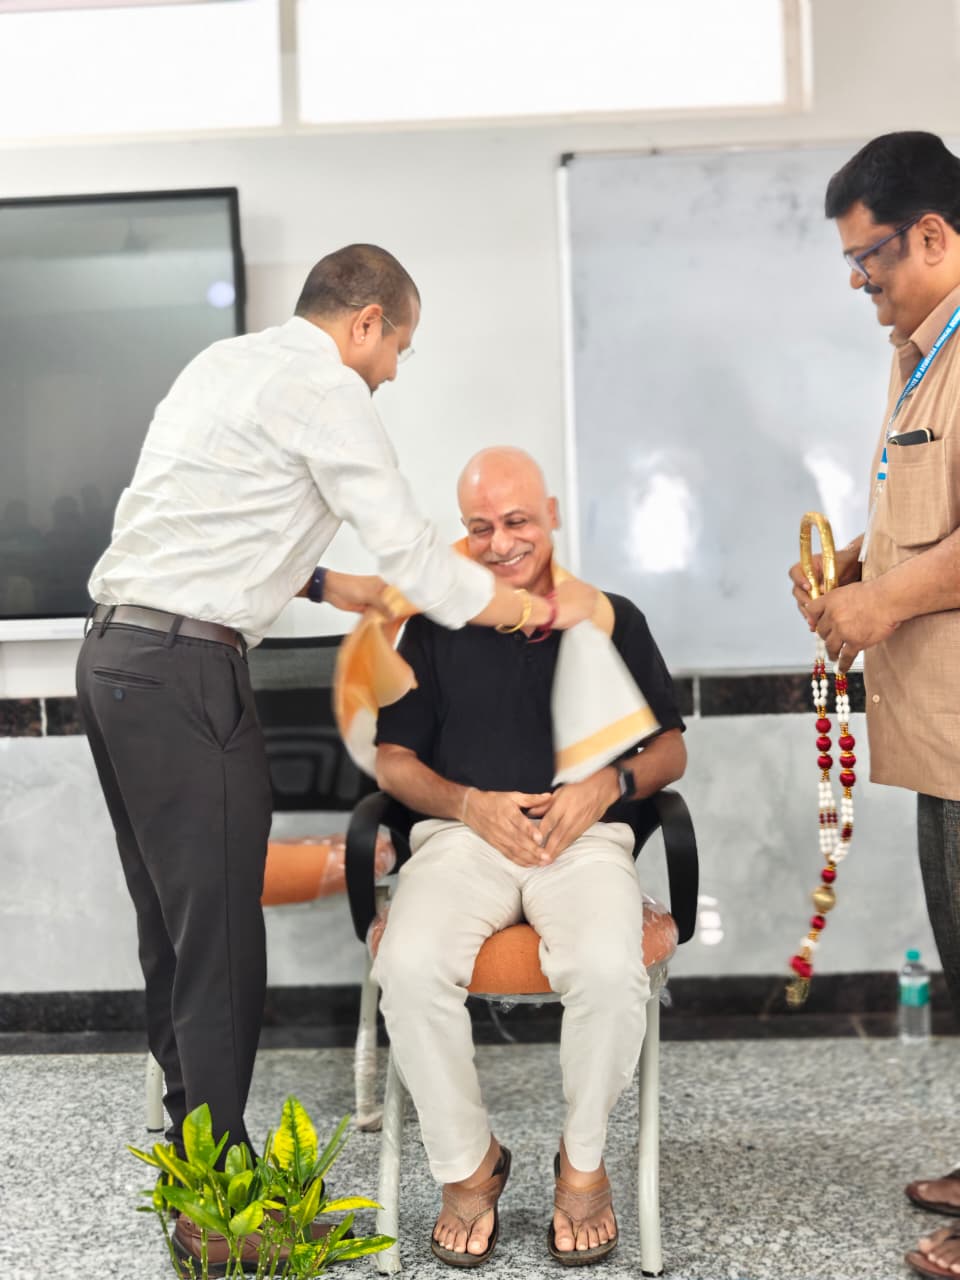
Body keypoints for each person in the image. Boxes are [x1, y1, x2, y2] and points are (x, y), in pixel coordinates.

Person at [75, 246, 596, 1259]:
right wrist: (522, 608)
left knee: (173, 934)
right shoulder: (330, 389)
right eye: (399, 346)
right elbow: (416, 556)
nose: (394, 370)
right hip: (186, 673)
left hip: (116, 659)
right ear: (366, 322)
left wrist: (324, 584)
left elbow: (206, 520)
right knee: (219, 941)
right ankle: (220, 1217)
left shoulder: (225, 363)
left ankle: (195, 1182)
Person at [372, 446, 687, 1266]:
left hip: (583, 840)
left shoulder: (611, 618)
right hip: (463, 840)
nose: (500, 542)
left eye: (516, 520)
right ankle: (470, 1167)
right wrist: (467, 804)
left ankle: (582, 1166)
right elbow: (393, 761)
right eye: (479, 527)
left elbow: (670, 751)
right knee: (407, 966)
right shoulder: (432, 627)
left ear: (551, 514)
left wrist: (606, 785)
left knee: (609, 968)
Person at [788, 133, 960, 1280]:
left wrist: (881, 601)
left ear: (934, 234)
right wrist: (860, 563)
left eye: (870, 258)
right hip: (941, 730)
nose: (860, 281)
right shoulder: (921, 352)